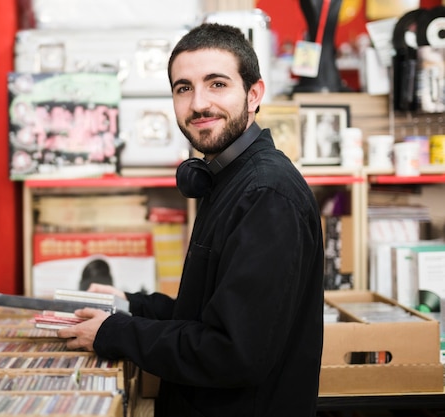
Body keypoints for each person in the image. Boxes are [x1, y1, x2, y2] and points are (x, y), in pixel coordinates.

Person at [58, 23, 324, 417]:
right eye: (184, 88)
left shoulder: (266, 195)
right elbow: (206, 314)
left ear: (254, 94)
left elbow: (233, 351)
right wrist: (130, 305)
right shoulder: (226, 179)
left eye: (217, 84)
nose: (199, 103)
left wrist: (115, 333)